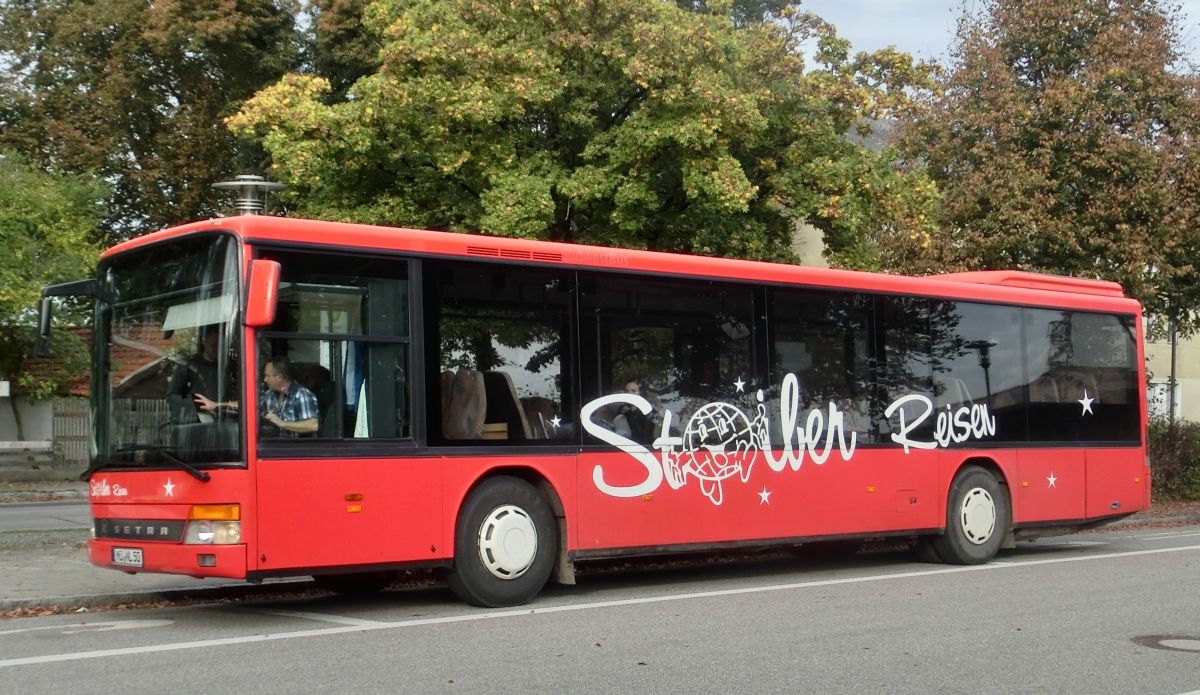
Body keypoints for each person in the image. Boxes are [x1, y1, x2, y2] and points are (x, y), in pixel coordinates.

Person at [167, 327, 227, 422]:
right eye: (214, 345)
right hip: (195, 425)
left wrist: (216, 406)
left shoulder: (230, 367)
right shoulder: (188, 366)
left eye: (221, 345)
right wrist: (197, 405)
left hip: (227, 424)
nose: (218, 349)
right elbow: (171, 397)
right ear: (204, 341)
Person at [258, 356, 320, 437]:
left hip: (295, 445)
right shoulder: (269, 395)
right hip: (273, 444)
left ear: (279, 377)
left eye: (268, 376)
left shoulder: (302, 395)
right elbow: (252, 408)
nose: (265, 380)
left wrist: (282, 423)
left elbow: (313, 425)